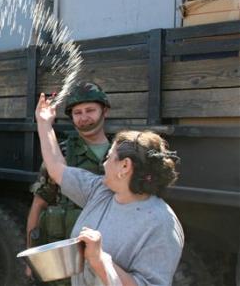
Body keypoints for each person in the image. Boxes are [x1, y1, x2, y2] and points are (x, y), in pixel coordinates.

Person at [35, 93, 184, 286]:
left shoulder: (161, 224)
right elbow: (56, 167)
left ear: (125, 166)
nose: (104, 164)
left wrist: (99, 260)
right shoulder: (100, 191)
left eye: (109, 157)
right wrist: (44, 123)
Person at [26, 83, 110, 283]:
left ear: (104, 111)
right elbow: (39, 204)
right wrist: (31, 257)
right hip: (65, 260)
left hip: (106, 257)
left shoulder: (120, 153)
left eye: (90, 110)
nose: (83, 117)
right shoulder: (60, 153)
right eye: (77, 112)